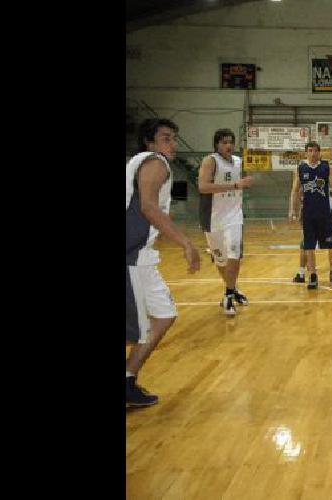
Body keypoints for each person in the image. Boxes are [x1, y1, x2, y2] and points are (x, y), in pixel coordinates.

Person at [126, 118, 202, 407]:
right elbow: (147, 206)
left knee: (164, 314)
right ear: (149, 141)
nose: (172, 144)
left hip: (142, 256)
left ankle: (128, 378)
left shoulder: (141, 162)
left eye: (174, 138)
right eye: (165, 138)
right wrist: (185, 242)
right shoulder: (155, 162)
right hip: (131, 255)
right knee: (139, 324)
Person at [198, 128, 254, 316]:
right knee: (221, 261)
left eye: (231, 142)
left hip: (234, 216)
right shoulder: (210, 161)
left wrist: (245, 182)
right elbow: (203, 187)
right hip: (212, 217)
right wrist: (236, 185)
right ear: (216, 144)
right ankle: (233, 288)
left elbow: (242, 181)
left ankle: (228, 296)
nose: (228, 146)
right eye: (224, 142)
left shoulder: (238, 161)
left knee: (234, 254)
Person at [288, 142, 332, 289]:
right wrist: (292, 210)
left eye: (315, 151)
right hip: (308, 213)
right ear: (306, 153)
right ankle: (312, 275)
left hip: (325, 213)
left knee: (331, 245)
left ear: (319, 153)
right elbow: (294, 191)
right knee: (309, 246)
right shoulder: (301, 168)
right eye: (310, 151)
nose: (312, 153)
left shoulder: (326, 168)